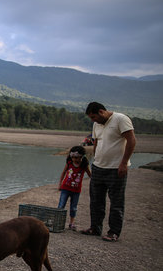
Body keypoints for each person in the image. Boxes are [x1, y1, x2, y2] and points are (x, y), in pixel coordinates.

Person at [81, 101, 136, 242]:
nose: (93, 120)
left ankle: (114, 232)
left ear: (101, 112)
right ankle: (95, 228)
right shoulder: (96, 124)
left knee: (116, 202)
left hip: (116, 168)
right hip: (99, 167)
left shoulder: (121, 119)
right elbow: (96, 142)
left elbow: (131, 140)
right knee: (96, 200)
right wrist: (94, 160)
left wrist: (124, 163)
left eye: (93, 117)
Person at [57, 145, 91, 230]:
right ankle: (58, 221)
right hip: (65, 188)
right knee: (61, 205)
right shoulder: (69, 163)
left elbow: (90, 175)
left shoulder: (84, 165)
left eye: (77, 158)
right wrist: (60, 184)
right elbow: (63, 172)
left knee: (74, 207)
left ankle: (71, 223)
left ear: (81, 157)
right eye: (73, 157)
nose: (75, 160)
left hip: (76, 190)